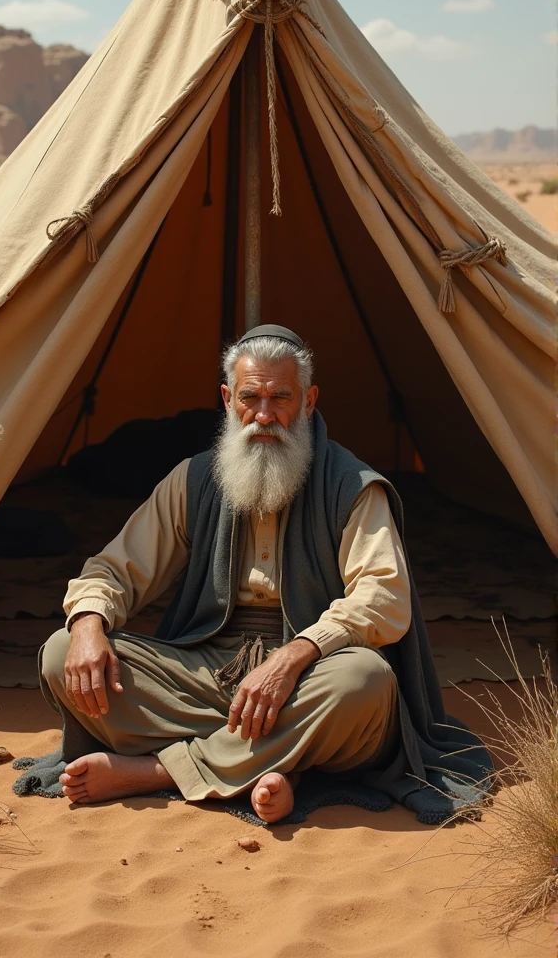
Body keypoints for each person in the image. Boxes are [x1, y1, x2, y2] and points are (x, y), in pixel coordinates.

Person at [27, 325, 491, 826]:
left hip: (311, 672)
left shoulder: (353, 486)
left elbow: (383, 599)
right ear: (228, 399)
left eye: (281, 397)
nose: (265, 415)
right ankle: (276, 766)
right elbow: (114, 570)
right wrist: (90, 624)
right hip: (209, 673)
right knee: (61, 655)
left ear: (309, 401)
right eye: (250, 397)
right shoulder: (194, 479)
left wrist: (294, 656)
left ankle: (157, 772)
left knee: (365, 680)